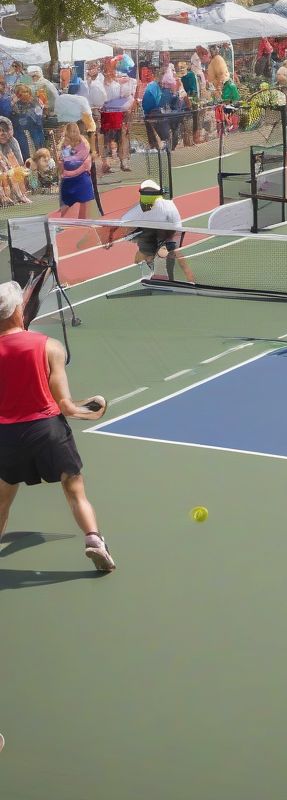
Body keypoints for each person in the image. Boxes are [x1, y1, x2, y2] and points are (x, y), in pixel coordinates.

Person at [0, 280, 115, 571]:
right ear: (17, 310)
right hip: (48, 430)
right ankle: (94, 540)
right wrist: (90, 412)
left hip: (7, 435)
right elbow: (65, 405)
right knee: (74, 490)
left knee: (2, 500)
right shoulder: (48, 346)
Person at [103, 180, 195, 283]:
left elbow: (177, 226)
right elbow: (122, 223)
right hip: (152, 233)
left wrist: (110, 237)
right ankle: (153, 269)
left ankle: (189, 279)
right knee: (140, 258)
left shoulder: (156, 207)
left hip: (165, 232)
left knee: (173, 252)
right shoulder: (143, 209)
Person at [57, 122, 95, 219]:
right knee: (65, 204)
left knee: (85, 202)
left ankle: (85, 223)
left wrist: (71, 153)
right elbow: (66, 162)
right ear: (68, 132)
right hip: (68, 179)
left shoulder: (83, 141)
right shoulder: (63, 143)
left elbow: (81, 157)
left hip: (82, 176)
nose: (74, 133)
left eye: (75, 131)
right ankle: (62, 225)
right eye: (71, 131)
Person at [11, 82, 44, 159]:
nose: (26, 94)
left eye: (26, 92)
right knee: (26, 151)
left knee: (38, 146)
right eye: (22, 93)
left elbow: (38, 116)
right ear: (18, 95)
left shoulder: (36, 101)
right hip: (22, 132)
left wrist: (28, 118)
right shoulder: (16, 105)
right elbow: (17, 121)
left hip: (35, 129)